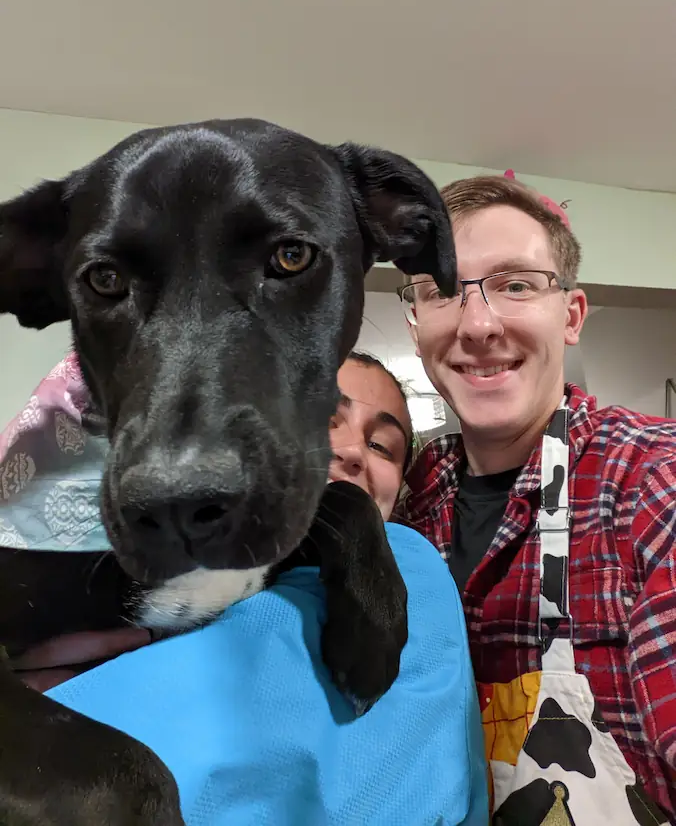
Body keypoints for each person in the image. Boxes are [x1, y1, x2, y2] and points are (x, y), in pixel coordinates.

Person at [1, 351, 488, 825]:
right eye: (321, 414)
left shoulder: (403, 560)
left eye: (383, 446)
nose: (352, 451)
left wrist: (353, 522)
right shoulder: (110, 517)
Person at [396, 171, 676, 824]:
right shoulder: (412, 492)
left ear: (570, 316)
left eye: (516, 285)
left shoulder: (650, 477)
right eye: (440, 291)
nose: (478, 324)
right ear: (414, 324)